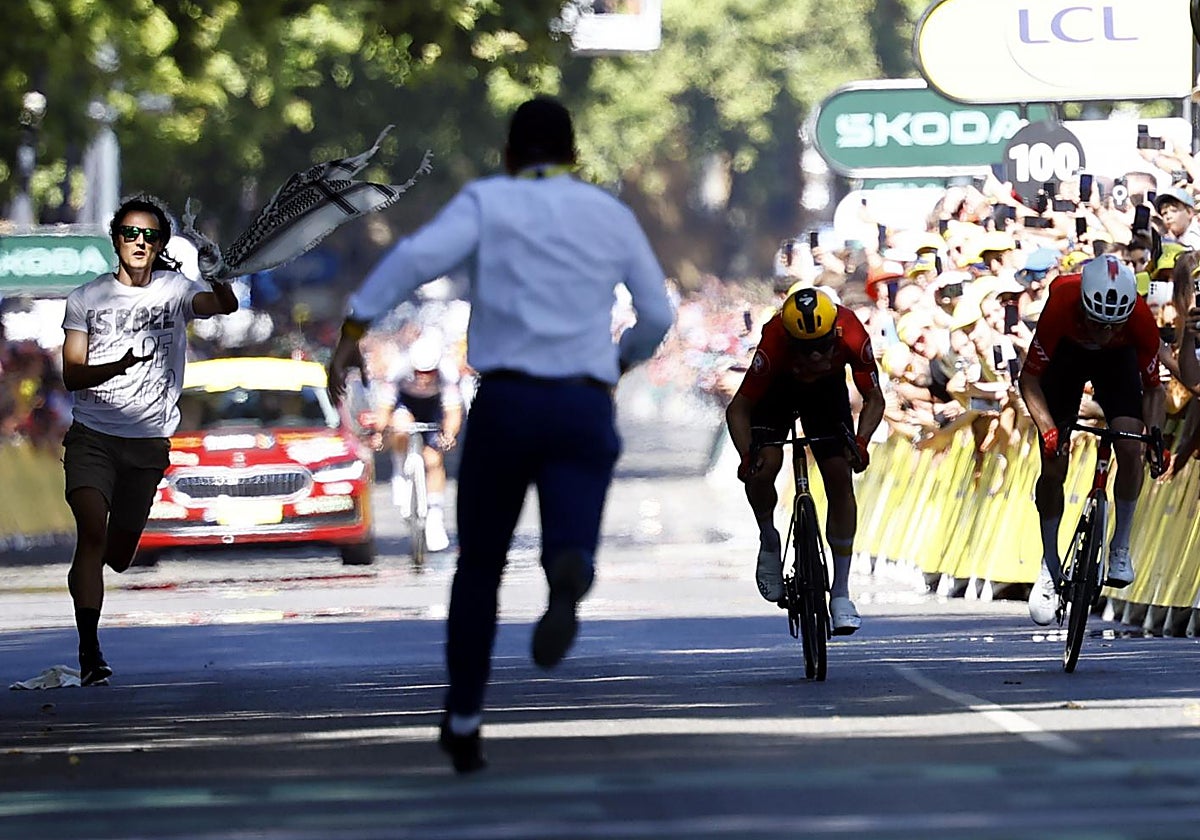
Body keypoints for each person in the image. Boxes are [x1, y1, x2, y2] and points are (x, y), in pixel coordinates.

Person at [326, 96, 674, 773]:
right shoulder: (610, 213)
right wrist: (616, 363)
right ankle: (567, 569)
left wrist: (352, 330)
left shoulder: (488, 203)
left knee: (479, 567)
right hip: (582, 401)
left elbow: (412, 258)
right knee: (570, 527)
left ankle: (465, 716)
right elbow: (656, 314)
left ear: (510, 156)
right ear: (575, 156)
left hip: (508, 402)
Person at [60, 195, 238, 685]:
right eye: (130, 234)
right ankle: (89, 651)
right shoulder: (86, 299)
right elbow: (72, 375)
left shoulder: (175, 291)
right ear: (115, 239)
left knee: (117, 555)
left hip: (148, 442)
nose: (139, 243)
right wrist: (112, 367)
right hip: (93, 436)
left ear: (160, 244)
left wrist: (217, 270)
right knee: (91, 530)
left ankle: (101, 597)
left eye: (150, 236)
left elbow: (224, 304)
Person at [724, 287, 885, 633]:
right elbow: (739, 407)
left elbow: (874, 398)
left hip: (826, 396)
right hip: (778, 392)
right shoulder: (775, 337)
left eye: (823, 347)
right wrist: (746, 456)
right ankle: (768, 537)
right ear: (791, 340)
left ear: (834, 334)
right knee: (764, 465)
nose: (815, 357)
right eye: (806, 349)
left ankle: (840, 592)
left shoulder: (852, 330)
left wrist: (861, 441)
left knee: (839, 476)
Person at [1019, 254, 1166, 626]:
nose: (1103, 332)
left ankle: (1121, 545)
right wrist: (1049, 429)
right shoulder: (1061, 304)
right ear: (1084, 305)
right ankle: (1050, 566)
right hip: (1065, 360)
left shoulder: (1139, 320)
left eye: (1111, 325)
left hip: (1117, 363)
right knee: (1053, 464)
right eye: (1098, 323)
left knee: (1131, 445)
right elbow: (1030, 380)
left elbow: (1153, 391)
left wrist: (1155, 436)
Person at [384, 332, 463, 552]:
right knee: (400, 427)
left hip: (433, 407)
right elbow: (384, 409)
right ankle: (400, 469)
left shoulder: (448, 372)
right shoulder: (399, 368)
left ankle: (435, 517)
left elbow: (453, 412)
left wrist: (449, 434)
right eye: (419, 372)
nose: (423, 377)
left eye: (429, 372)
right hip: (406, 404)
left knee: (434, 460)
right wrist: (382, 430)